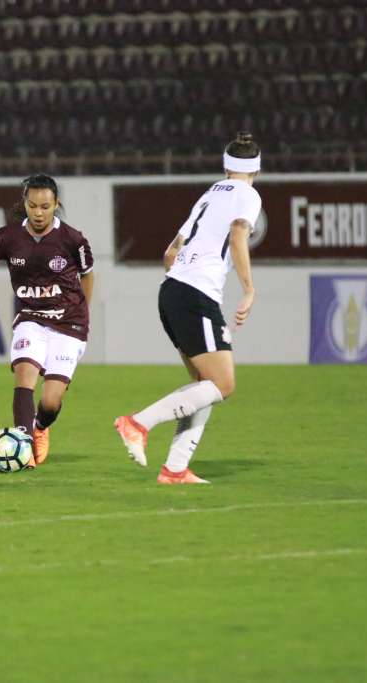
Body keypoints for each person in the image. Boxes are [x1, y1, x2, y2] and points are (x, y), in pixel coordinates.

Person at [114, 132, 262, 485]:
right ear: (256, 170)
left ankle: (175, 469)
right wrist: (248, 289)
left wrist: (184, 280)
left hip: (172, 291)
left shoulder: (209, 195)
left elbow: (171, 252)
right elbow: (238, 235)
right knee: (223, 384)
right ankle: (137, 423)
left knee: (204, 386)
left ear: (225, 167)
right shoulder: (248, 195)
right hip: (196, 295)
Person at [0, 174, 95, 467]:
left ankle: (40, 426)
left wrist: (83, 312)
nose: (38, 213)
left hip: (69, 323)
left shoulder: (73, 239)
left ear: (56, 205)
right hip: (30, 318)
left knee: (50, 402)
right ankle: (24, 450)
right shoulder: (7, 237)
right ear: (24, 203)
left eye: (45, 206)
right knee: (24, 374)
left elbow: (87, 275)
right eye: (33, 206)